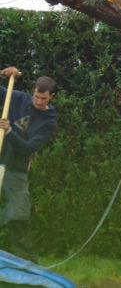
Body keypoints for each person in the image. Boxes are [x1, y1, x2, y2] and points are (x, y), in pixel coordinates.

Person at [0, 67, 57, 263]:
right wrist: (3, 74)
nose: (39, 102)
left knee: (19, 213)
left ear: (51, 97)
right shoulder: (18, 98)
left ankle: (25, 262)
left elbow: (28, 148)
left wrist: (9, 133)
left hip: (17, 167)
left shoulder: (49, 121)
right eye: (36, 97)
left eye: (44, 99)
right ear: (33, 91)